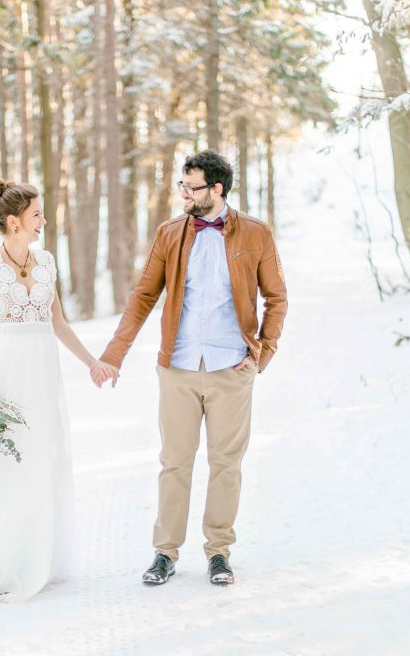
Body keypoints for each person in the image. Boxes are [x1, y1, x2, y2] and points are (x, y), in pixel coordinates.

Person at [92, 150, 288, 586]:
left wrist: (262, 353)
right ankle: (165, 552)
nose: (184, 194)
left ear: (217, 190)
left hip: (230, 367)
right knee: (175, 463)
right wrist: (113, 354)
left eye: (192, 187)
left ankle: (219, 551)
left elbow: (277, 296)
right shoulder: (170, 234)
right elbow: (143, 296)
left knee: (226, 465)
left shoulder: (256, 234)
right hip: (178, 365)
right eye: (181, 186)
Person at [0, 178, 101, 600]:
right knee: (9, 464)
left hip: (43, 373)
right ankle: (8, 560)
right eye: (36, 214)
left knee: (43, 456)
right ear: (14, 222)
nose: (43, 220)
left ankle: (43, 555)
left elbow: (58, 323)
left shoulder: (45, 262)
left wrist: (92, 362)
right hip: (4, 372)